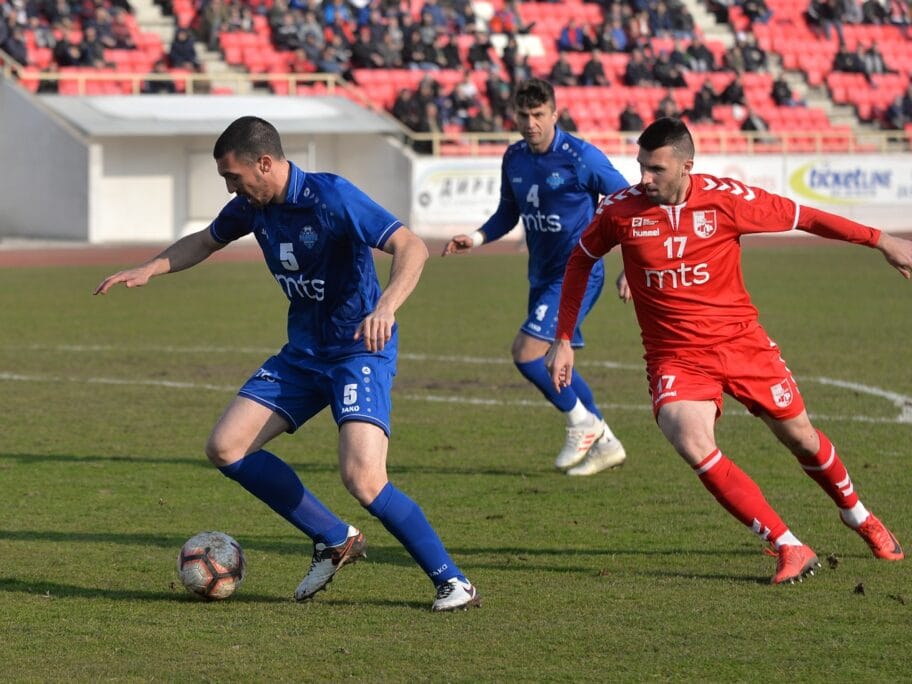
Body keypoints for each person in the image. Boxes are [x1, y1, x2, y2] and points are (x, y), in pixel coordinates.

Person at [94, 116, 480, 612]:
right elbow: (205, 240)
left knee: (363, 478)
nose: (231, 188)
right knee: (226, 447)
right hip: (303, 354)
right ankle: (333, 537)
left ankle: (452, 580)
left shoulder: (332, 196)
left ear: (265, 162)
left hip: (358, 349)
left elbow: (411, 245)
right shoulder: (252, 208)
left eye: (234, 177)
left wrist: (386, 306)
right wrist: (151, 267)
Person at [546, 117, 909, 584]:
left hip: (742, 345)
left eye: (656, 169)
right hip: (675, 357)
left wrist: (881, 241)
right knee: (691, 440)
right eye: (640, 166)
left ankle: (857, 514)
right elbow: (581, 260)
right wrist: (563, 337)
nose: (644, 179)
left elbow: (808, 217)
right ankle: (788, 545)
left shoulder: (727, 200)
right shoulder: (620, 210)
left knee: (801, 438)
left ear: (686, 166)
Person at [442, 79, 629, 477]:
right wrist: (475, 238)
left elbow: (627, 206)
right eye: (523, 115)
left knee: (526, 352)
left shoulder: (581, 157)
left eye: (539, 115)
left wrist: (631, 266)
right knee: (552, 361)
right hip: (542, 275)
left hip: (579, 271)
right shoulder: (514, 158)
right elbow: (507, 213)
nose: (530, 123)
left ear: (554, 114)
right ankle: (606, 442)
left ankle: (583, 423)